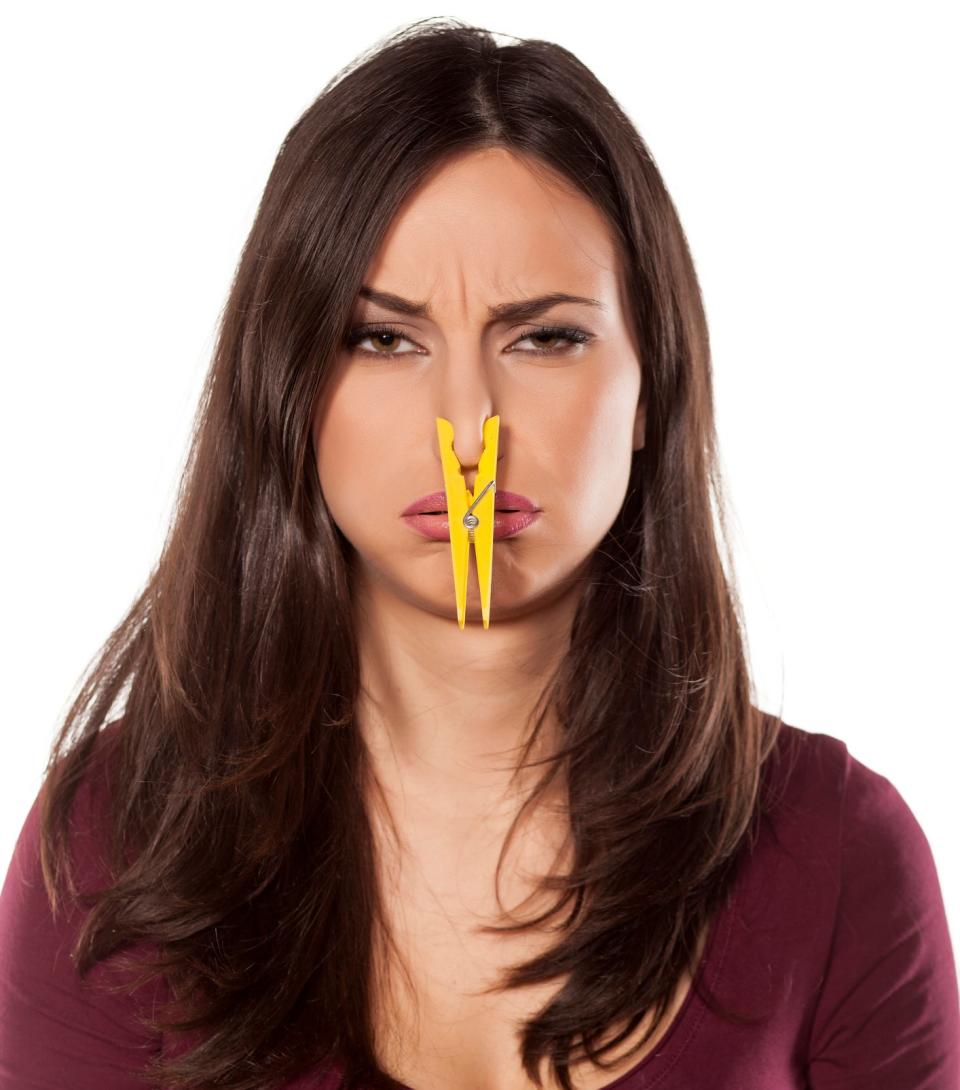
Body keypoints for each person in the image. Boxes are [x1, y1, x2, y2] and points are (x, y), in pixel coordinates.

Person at [1, 16, 957, 1090]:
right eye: (383, 337)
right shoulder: (119, 843)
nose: (468, 425)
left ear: (653, 384)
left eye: (546, 338)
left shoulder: (839, 852)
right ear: (289, 389)